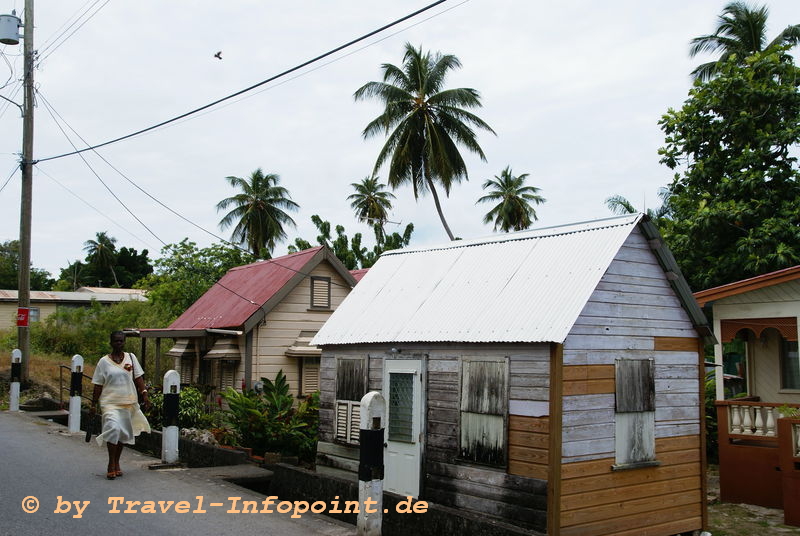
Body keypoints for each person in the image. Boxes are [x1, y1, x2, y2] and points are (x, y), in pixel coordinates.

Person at [89, 331, 151, 479]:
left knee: (122, 433)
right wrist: (93, 404)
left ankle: (117, 462)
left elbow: (138, 378)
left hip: (128, 402)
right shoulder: (103, 362)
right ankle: (111, 463)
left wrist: (144, 394)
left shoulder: (131, 358)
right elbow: (98, 384)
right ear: (111, 343)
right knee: (113, 428)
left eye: (121, 341)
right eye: (116, 341)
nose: (119, 344)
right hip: (109, 403)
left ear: (124, 342)